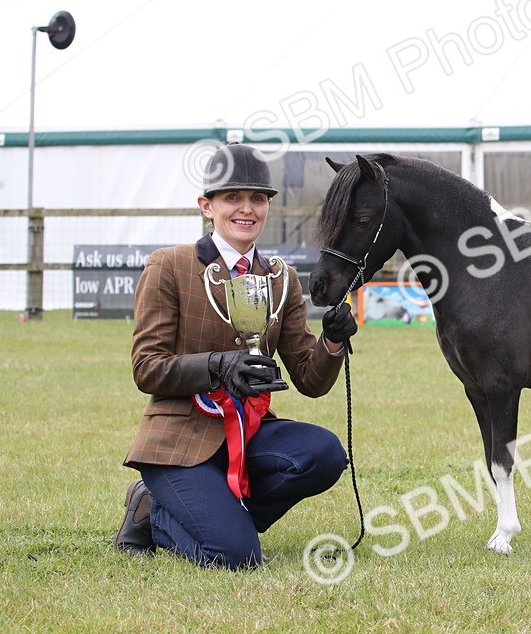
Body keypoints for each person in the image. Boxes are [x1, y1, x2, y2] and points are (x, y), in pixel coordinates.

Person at [114, 142, 359, 569]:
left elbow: (310, 380)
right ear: (206, 206)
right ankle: (153, 513)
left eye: (257, 199)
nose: (246, 209)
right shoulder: (168, 266)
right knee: (238, 559)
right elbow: (147, 368)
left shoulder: (281, 278)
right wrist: (219, 366)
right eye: (233, 198)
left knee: (324, 454)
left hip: (248, 434)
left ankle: (227, 518)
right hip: (179, 441)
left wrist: (332, 342)